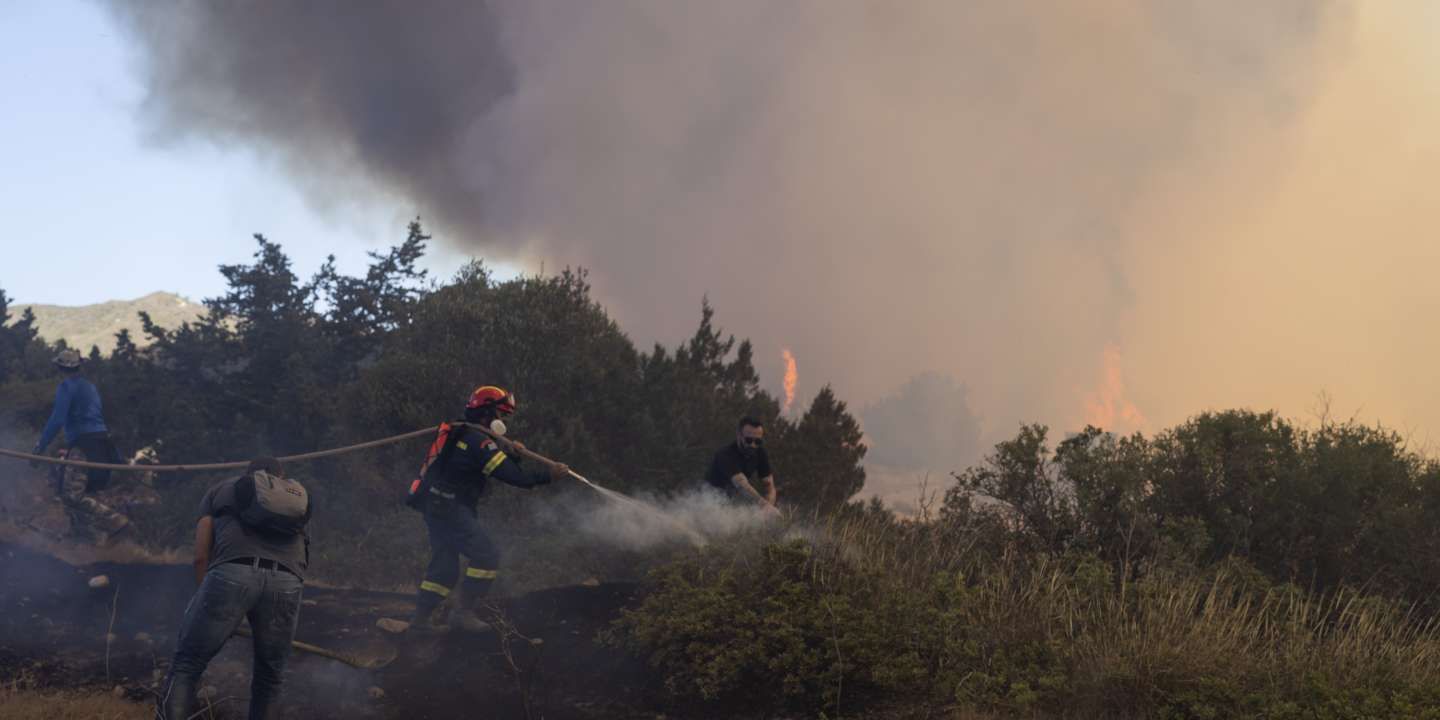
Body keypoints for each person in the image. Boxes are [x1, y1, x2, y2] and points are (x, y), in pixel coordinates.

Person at [392, 385, 568, 634]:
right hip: (449, 508)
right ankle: (462, 614)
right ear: (488, 413)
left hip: (435, 505)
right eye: (501, 415)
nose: (503, 421)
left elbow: (494, 465)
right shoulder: (479, 442)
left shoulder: (461, 432)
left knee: (445, 566)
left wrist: (510, 453)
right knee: (486, 556)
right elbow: (515, 478)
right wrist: (549, 475)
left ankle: (419, 623)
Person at [157, 458, 310, 720]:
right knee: (270, 679)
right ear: (281, 476)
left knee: (187, 665)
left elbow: (200, 555)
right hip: (287, 580)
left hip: (233, 572)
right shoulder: (296, 499)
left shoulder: (222, 488)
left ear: (248, 476)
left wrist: (207, 601)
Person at [31, 348, 128, 541]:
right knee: (79, 494)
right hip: (101, 444)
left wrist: (39, 447)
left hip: (83, 446)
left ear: (59, 367)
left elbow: (57, 420)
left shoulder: (66, 388)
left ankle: (115, 520)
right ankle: (88, 540)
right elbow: (96, 419)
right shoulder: (90, 387)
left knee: (70, 495)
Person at [705, 416, 778, 510]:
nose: (753, 445)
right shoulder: (725, 454)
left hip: (731, 500)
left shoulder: (760, 452)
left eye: (758, 441)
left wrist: (768, 507)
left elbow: (769, 486)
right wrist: (765, 506)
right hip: (709, 499)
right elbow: (742, 485)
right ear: (739, 435)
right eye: (748, 440)